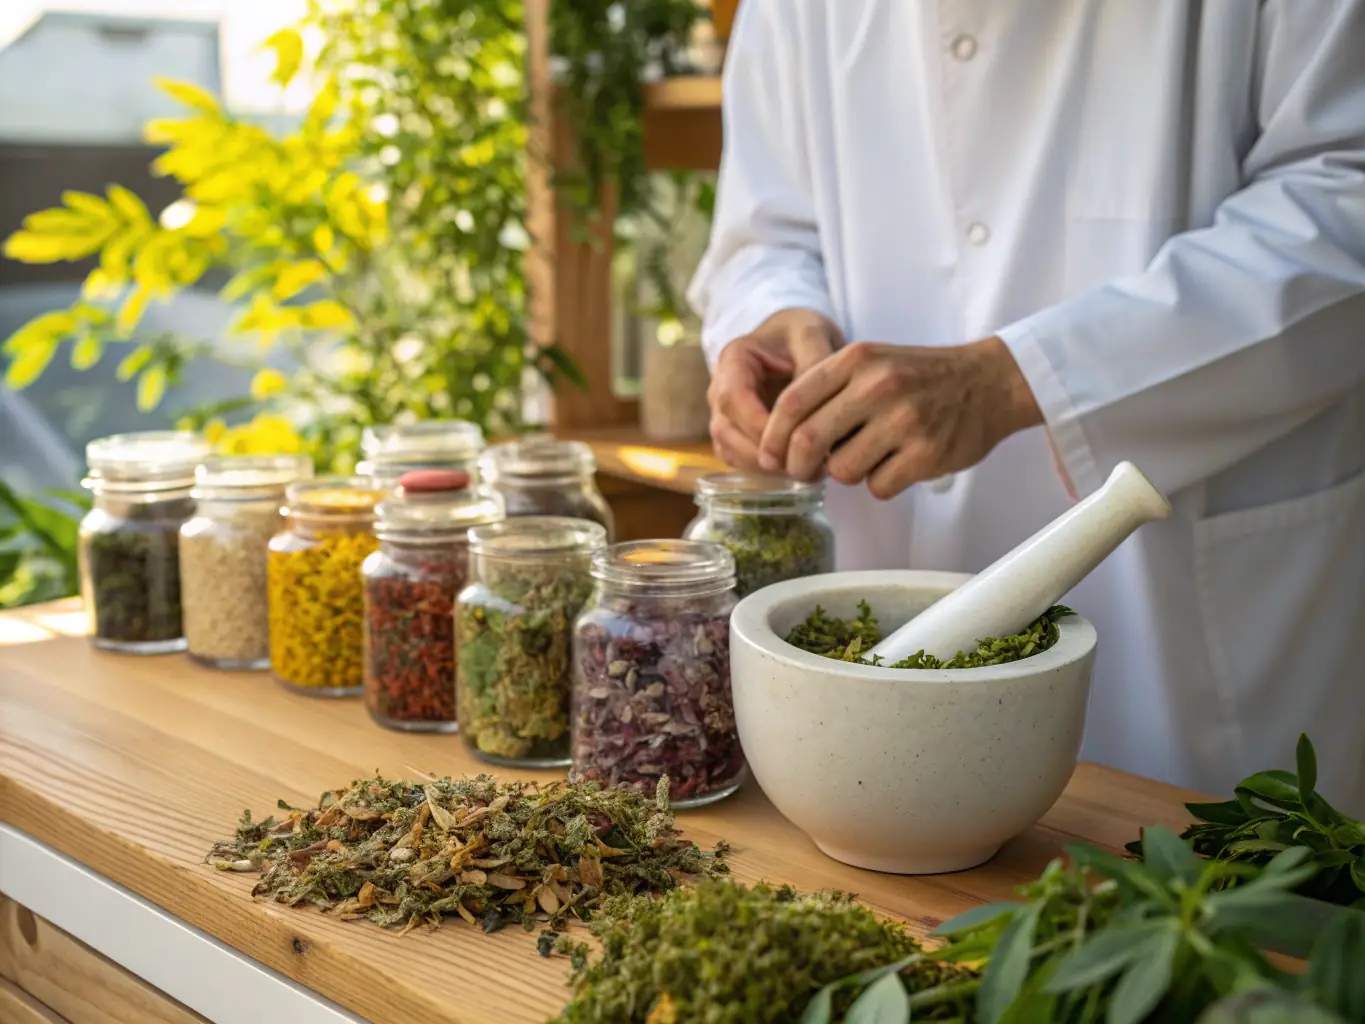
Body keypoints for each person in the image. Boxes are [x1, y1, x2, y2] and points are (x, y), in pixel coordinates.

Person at [687, 1, 1365, 811]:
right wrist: (771, 319)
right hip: (878, 600)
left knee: (1207, 901)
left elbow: (1342, 199)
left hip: (1189, 627)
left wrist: (1017, 378)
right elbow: (767, 232)